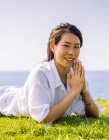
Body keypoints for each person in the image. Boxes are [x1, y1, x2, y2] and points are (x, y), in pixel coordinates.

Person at [0, 23, 100, 123]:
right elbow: (44, 118)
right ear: (53, 47)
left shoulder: (76, 75)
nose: (72, 52)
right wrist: (73, 92)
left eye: (76, 47)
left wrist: (84, 92)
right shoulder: (40, 73)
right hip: (4, 100)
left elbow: (95, 115)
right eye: (66, 45)